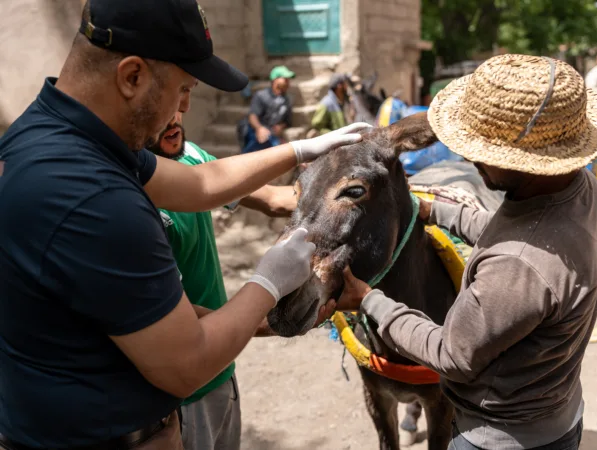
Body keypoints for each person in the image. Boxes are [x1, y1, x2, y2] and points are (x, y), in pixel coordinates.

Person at [0, 0, 370, 448]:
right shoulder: (94, 197)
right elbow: (188, 363)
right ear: (132, 76)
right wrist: (269, 282)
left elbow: (199, 181)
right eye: (181, 91)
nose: (181, 109)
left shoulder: (60, 136)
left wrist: (300, 150)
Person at [335, 54, 597, 449]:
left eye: (480, 150)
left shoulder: (516, 267)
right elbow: (510, 234)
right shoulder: (581, 191)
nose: (470, 159)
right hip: (559, 410)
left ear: (525, 161)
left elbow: (451, 355)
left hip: (499, 438)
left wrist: (370, 300)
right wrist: (436, 210)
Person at [148, 113, 336, 450]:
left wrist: (337, 192)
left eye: (184, 98)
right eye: (169, 97)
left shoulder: (191, 155)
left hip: (221, 371)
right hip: (184, 397)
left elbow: (275, 199)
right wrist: (273, 316)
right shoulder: (137, 205)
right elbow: (176, 319)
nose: (176, 116)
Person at [239, 66, 296, 154]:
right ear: (275, 80)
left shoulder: (287, 100)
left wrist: (281, 126)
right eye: (285, 79)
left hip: (272, 133)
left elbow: (288, 121)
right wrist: (259, 128)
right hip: (255, 130)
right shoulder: (261, 96)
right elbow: (252, 116)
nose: (288, 83)